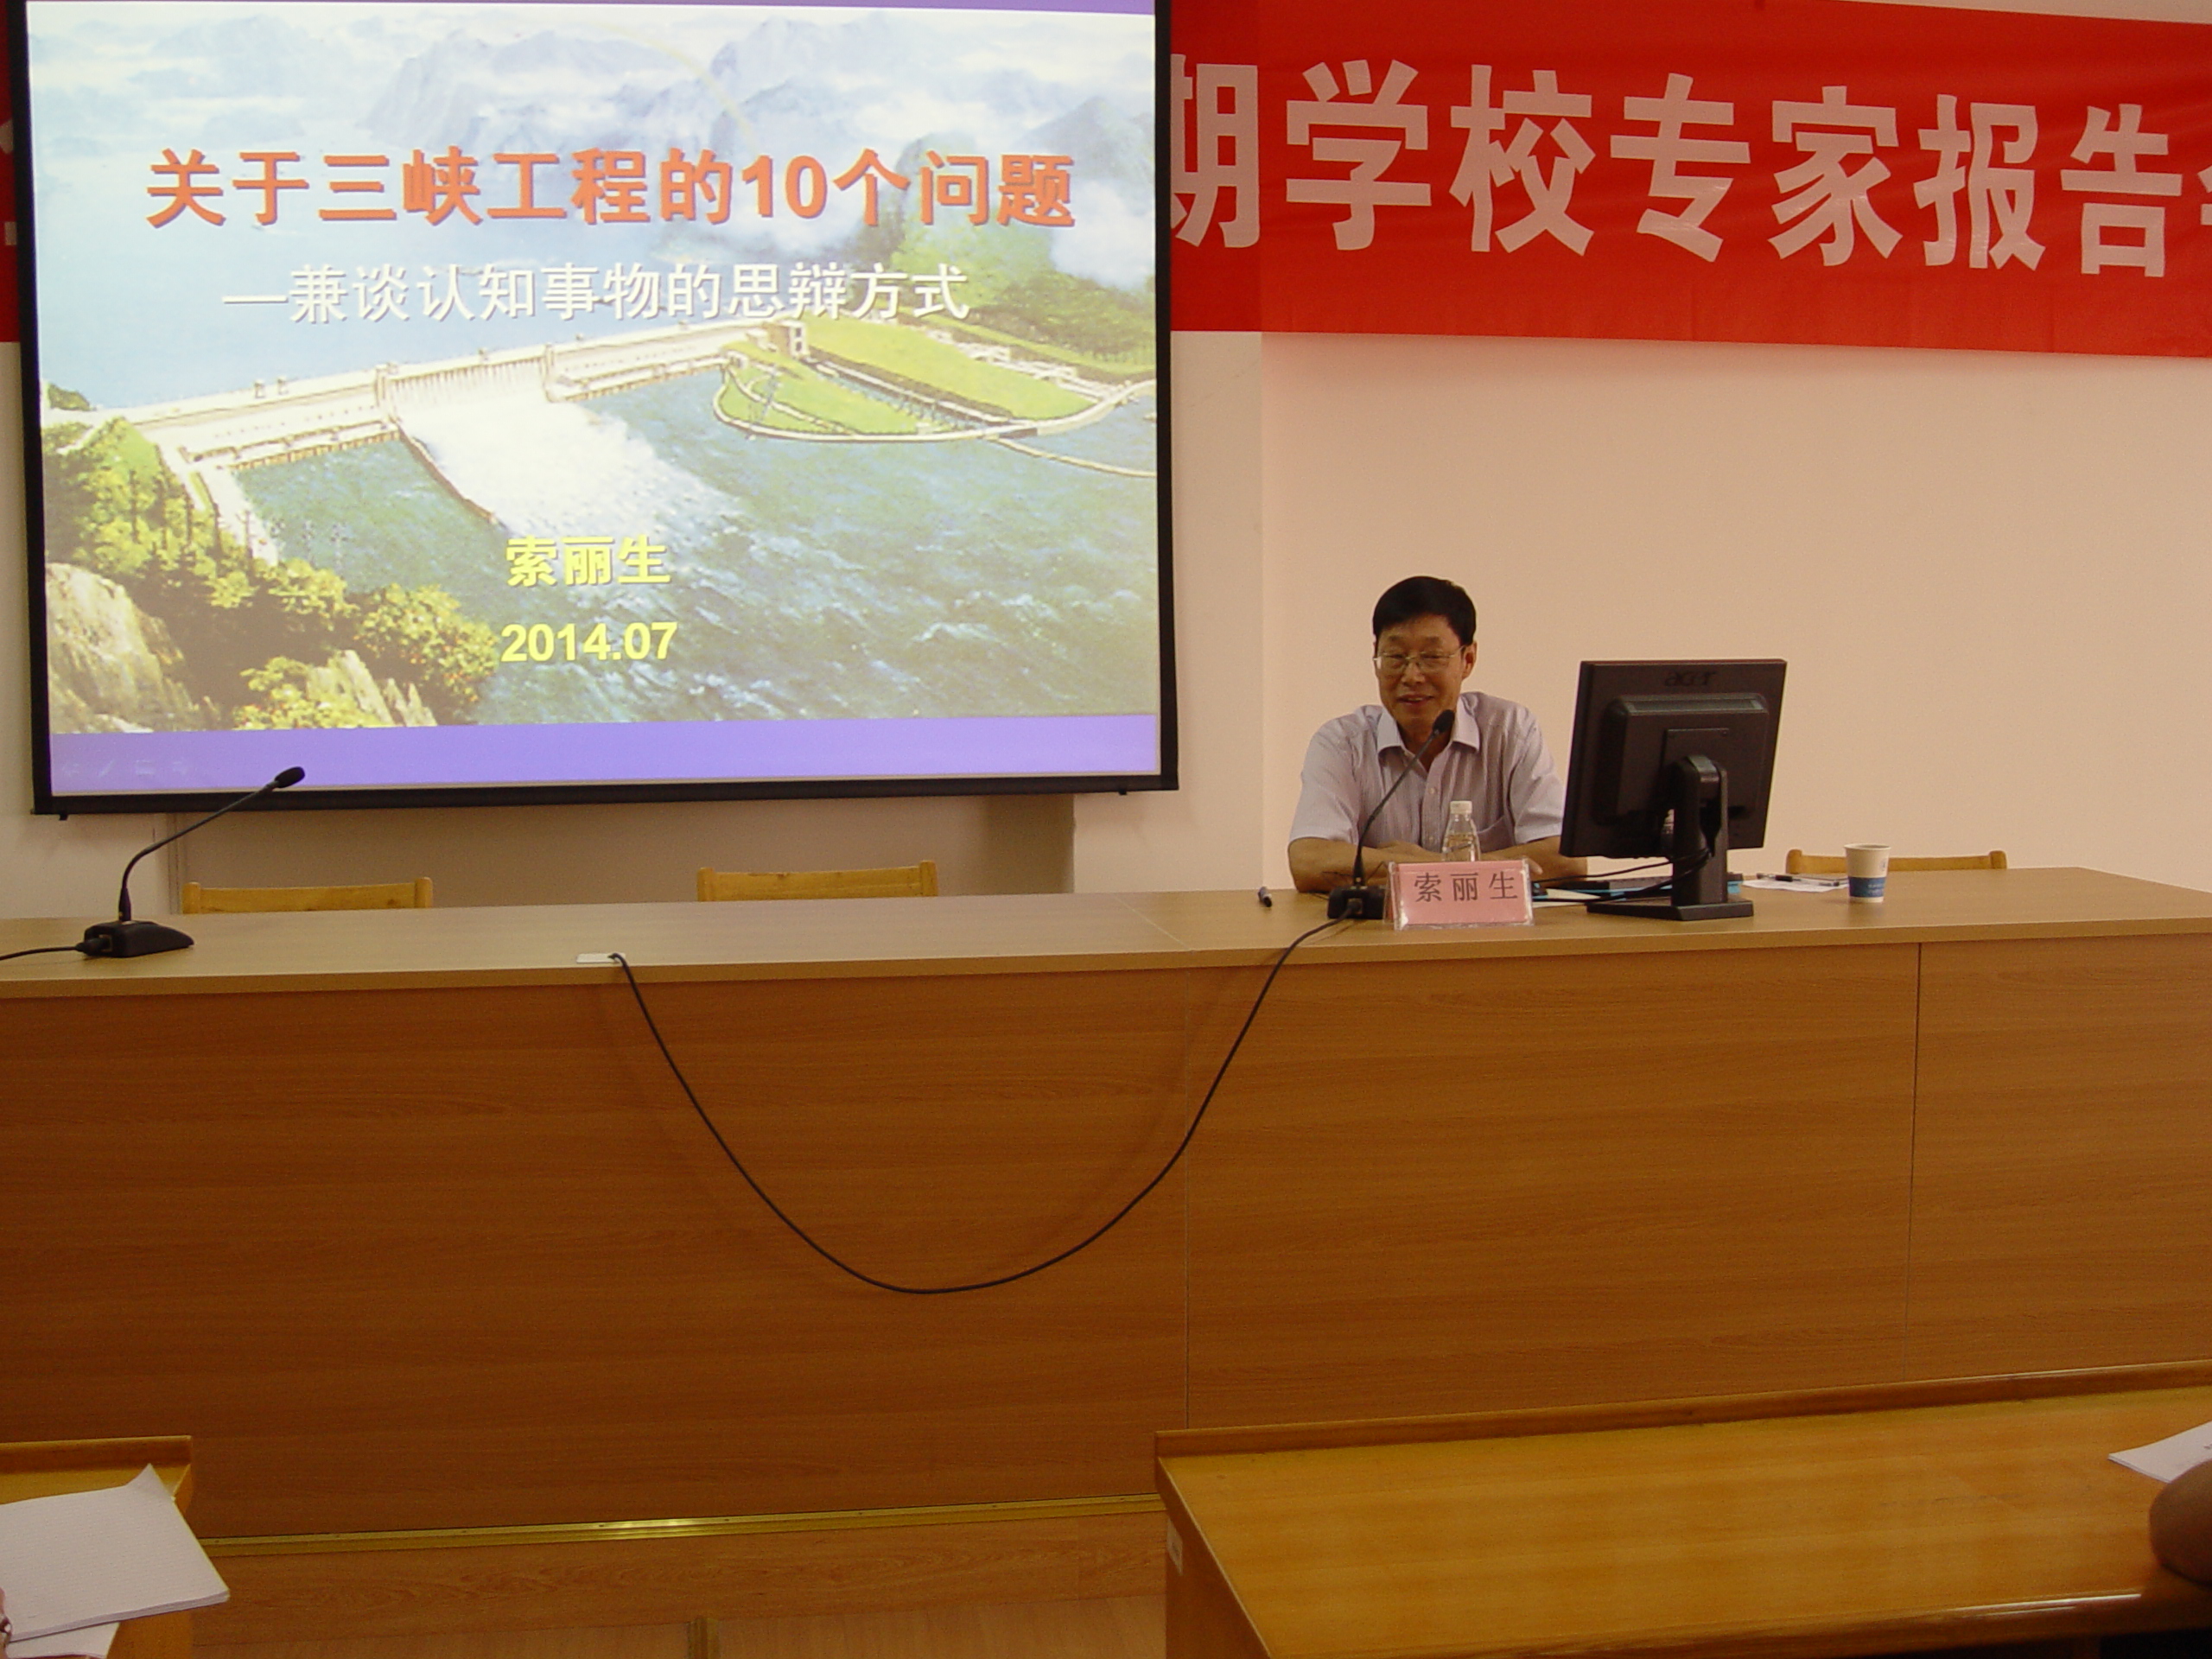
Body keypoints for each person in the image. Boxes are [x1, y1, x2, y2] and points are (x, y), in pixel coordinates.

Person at [1287, 575, 1582, 893]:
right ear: (1376, 659)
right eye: (1395, 657)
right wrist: (1464, 867)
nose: (1412, 676)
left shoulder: (1510, 732)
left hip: (1493, 923)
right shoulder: (1342, 744)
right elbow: (1308, 861)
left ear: (1467, 660)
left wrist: (1427, 865)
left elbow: (1567, 859)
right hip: (1382, 925)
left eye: (1431, 658)